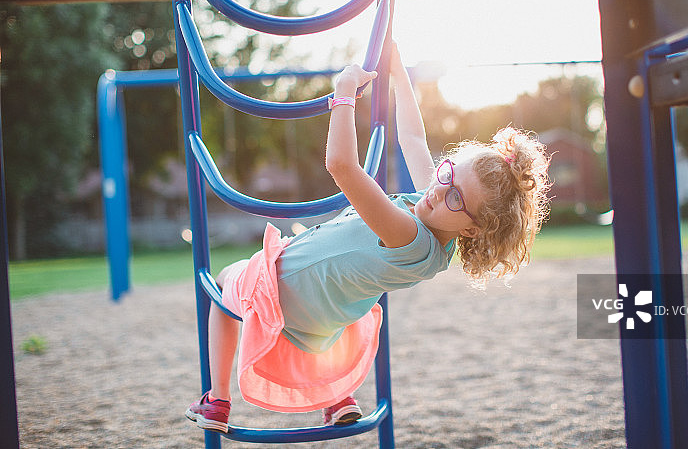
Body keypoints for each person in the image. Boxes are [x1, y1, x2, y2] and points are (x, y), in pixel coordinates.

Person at [185, 44, 550, 433]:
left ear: (473, 228)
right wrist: (398, 74)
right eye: (447, 172)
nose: (439, 189)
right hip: (321, 314)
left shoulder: (411, 237)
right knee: (345, 314)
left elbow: (341, 166)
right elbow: (412, 137)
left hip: (285, 287)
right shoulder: (433, 213)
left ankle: (217, 401)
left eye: (456, 197)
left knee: (225, 284)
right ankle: (338, 396)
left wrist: (343, 95)